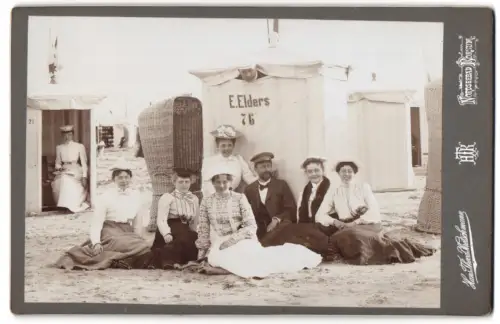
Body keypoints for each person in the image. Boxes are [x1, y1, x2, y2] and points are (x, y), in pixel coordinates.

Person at [195, 166, 322, 279]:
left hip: (241, 238)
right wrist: (201, 252)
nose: (222, 185)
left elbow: (250, 225)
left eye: (225, 182)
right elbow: (204, 228)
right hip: (219, 240)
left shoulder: (239, 198)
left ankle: (224, 270)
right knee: (218, 257)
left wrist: (232, 240)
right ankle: (223, 269)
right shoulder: (207, 201)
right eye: (218, 182)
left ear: (230, 182)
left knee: (253, 259)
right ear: (213, 183)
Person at [315, 158, 436, 265]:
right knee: (339, 236)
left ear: (354, 173)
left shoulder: (363, 187)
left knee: (354, 235)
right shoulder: (333, 190)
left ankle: (386, 252)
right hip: (344, 225)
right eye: (343, 171)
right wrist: (335, 221)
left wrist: (356, 222)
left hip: (367, 223)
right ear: (338, 173)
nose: (346, 174)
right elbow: (320, 214)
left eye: (349, 171)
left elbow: (373, 209)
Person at [53, 160, 152, 270]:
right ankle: (118, 258)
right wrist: (96, 242)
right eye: (120, 177)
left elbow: (137, 224)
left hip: (127, 232)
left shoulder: (136, 196)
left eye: (126, 177)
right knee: (138, 247)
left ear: (130, 178)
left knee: (144, 246)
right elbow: (97, 222)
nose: (124, 180)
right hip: (109, 232)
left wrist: (138, 237)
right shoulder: (106, 197)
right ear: (113, 179)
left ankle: (120, 260)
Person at [150, 168, 199, 269]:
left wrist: (195, 232)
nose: (184, 185)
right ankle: (168, 260)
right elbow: (161, 219)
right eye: (180, 182)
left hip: (185, 228)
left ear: (191, 182)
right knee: (182, 238)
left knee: (193, 237)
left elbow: (195, 220)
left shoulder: (194, 199)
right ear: (174, 182)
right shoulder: (167, 197)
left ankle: (185, 261)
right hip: (170, 226)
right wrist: (166, 233)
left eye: (187, 182)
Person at [243, 152, 297, 241]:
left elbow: (291, 209)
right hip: (258, 231)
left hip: (279, 229)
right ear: (255, 169)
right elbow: (246, 212)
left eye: (268, 166)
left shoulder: (281, 185)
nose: (266, 169)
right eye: (263, 167)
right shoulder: (249, 189)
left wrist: (276, 219)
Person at [201, 124, 257, 197]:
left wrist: (263, 180)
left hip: (232, 198)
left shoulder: (238, 160)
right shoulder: (209, 161)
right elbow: (206, 183)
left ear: (233, 145)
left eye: (229, 145)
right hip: (213, 198)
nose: (226, 148)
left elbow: (249, 178)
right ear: (218, 146)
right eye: (223, 145)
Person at [51, 125, 89, 212]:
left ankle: (70, 205)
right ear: (62, 136)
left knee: (66, 179)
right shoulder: (59, 147)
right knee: (57, 182)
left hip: (75, 169)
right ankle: (63, 205)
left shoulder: (79, 146)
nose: (67, 137)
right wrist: (59, 167)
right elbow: (57, 162)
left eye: (69, 134)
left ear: (72, 135)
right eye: (64, 135)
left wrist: (84, 176)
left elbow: (84, 163)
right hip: (64, 169)